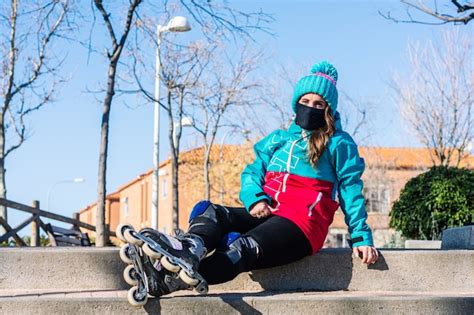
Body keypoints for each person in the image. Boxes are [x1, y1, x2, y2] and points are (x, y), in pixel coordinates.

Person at [141, 60, 379, 296]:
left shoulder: (339, 142)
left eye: (318, 104)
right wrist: (255, 198)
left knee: (238, 247)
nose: (310, 107)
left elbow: (350, 189)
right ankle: (188, 250)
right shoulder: (278, 139)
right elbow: (252, 172)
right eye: (305, 101)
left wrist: (360, 237)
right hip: (268, 211)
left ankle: (171, 280)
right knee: (209, 211)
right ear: (296, 104)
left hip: (302, 224)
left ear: (328, 110)